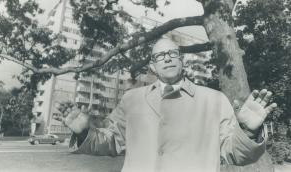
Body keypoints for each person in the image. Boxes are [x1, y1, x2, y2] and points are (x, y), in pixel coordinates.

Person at [55, 38, 277, 172]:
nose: (168, 59)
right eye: (160, 56)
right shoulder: (132, 99)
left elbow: (234, 153)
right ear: (152, 66)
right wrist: (85, 133)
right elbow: (112, 142)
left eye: (172, 53)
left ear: (182, 60)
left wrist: (248, 131)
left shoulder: (214, 100)